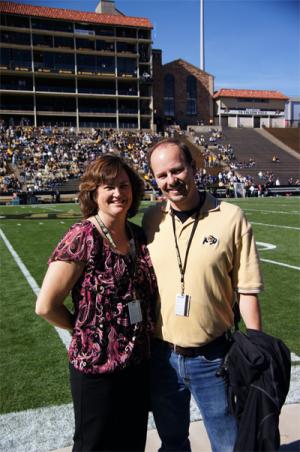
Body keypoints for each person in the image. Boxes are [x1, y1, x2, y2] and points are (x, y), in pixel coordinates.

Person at [142, 139, 263, 452]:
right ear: (154, 179)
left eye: (178, 169)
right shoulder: (151, 219)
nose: (171, 180)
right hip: (163, 357)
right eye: (162, 175)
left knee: (228, 444)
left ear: (193, 168)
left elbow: (247, 288)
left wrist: (255, 348)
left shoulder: (231, 217)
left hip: (214, 358)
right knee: (172, 442)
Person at [36, 154, 157, 452]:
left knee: (131, 442)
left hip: (137, 363)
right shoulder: (83, 236)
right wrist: (82, 329)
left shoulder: (137, 235)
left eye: (124, 185)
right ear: (94, 192)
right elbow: (46, 305)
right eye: (109, 186)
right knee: (94, 444)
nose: (119, 193)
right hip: (96, 367)